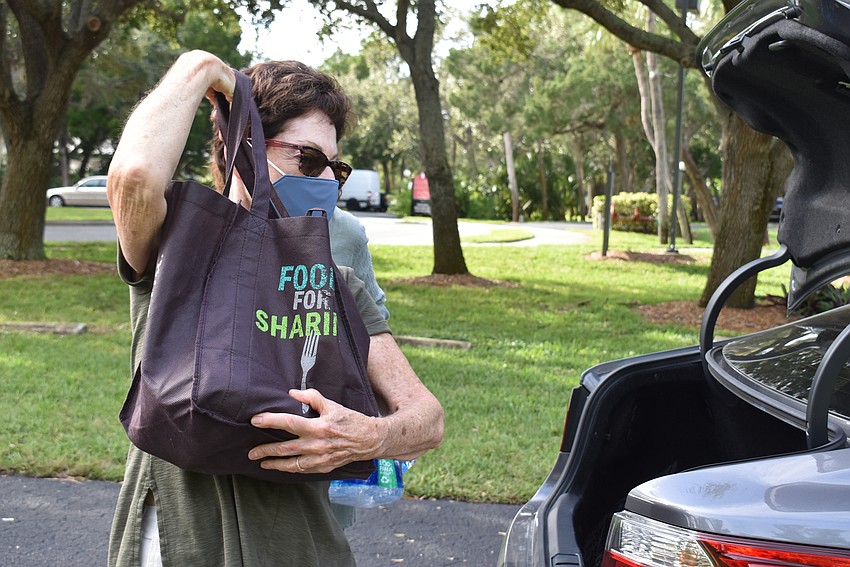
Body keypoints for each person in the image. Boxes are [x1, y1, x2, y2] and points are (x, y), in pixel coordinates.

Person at [106, 50, 444, 567]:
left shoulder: (335, 284)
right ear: (242, 149)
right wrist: (202, 70)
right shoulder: (175, 251)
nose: (326, 181)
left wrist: (369, 436)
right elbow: (132, 176)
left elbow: (427, 419)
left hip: (299, 548)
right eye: (308, 160)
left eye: (336, 167)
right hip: (174, 545)